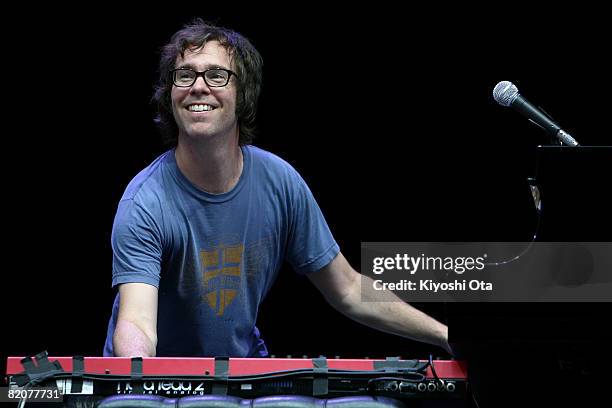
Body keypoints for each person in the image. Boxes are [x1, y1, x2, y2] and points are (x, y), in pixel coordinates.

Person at [103, 18, 450, 358]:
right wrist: (138, 378)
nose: (197, 86)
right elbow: (137, 323)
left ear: (244, 95)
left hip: (241, 375)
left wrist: (444, 336)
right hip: (161, 389)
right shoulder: (145, 202)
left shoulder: (279, 182)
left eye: (216, 75)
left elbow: (346, 288)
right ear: (171, 94)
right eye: (185, 75)